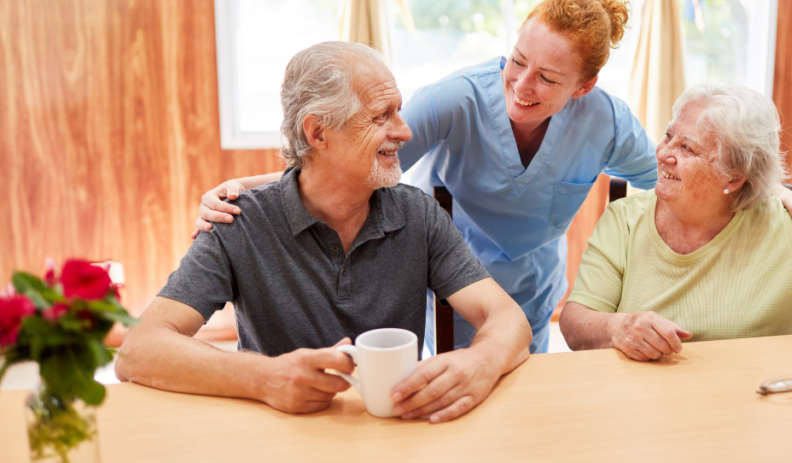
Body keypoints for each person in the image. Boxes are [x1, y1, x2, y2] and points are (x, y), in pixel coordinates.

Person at [191, 0, 792, 354]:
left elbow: (681, 173)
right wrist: (247, 190)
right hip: (445, 266)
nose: (521, 85)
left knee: (517, 381)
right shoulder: (457, 99)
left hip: (531, 281)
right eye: (515, 61)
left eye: (548, 77)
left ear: (584, 86)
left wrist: (775, 194)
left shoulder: (607, 120)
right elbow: (355, 158)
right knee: (440, 375)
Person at [116, 42, 532, 422]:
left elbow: (508, 318)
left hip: (394, 429)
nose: (404, 131)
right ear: (317, 133)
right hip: (278, 434)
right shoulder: (237, 222)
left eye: (398, 111)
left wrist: (481, 362)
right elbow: (139, 351)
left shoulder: (417, 214)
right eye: (381, 115)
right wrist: (263, 377)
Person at [559, 82, 792, 392]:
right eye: (669, 136)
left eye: (687, 148)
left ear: (733, 178)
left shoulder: (788, 228)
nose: (664, 154)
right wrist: (617, 327)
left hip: (758, 407)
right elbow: (576, 323)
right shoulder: (623, 221)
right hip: (642, 404)